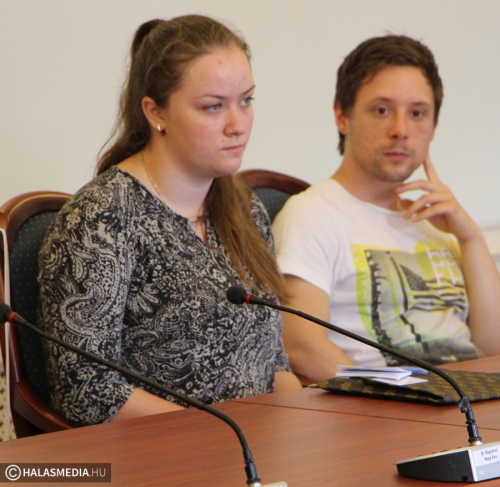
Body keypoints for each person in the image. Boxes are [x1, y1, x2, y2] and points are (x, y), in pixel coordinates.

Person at [38, 14, 301, 427]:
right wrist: (219, 435)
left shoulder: (246, 210)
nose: (238, 125)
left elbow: (274, 361)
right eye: (213, 106)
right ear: (155, 111)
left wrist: (300, 422)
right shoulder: (101, 218)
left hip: (255, 446)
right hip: (164, 451)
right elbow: (86, 390)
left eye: (246, 101)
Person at [272, 35, 500, 382]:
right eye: (382, 110)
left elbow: (493, 349)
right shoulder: (313, 214)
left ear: (433, 127)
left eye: (417, 113)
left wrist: (471, 239)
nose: (400, 130)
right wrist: (399, 397)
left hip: (472, 402)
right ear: (342, 116)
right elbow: (302, 346)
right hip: (387, 406)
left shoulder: (442, 224)